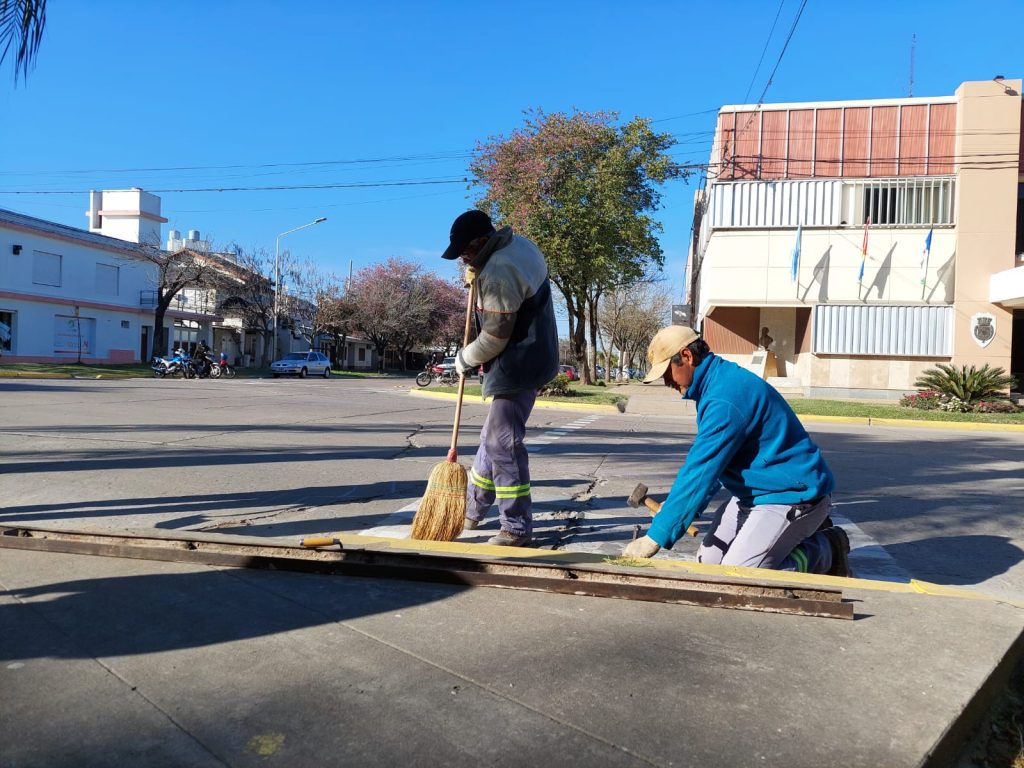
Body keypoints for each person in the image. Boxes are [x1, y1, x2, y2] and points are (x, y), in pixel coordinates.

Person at [622, 325, 852, 577]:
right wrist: (678, 508)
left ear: (687, 356)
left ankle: (826, 548)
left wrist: (656, 536)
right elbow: (714, 468)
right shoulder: (715, 385)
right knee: (708, 566)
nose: (667, 382)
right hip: (753, 495)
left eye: (667, 373)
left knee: (740, 575)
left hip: (793, 496)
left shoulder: (725, 398)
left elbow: (700, 470)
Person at [442, 210, 559, 547]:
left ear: (482, 242)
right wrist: (476, 276)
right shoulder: (519, 245)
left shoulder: (498, 270)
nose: (464, 258)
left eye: (466, 251)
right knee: (490, 437)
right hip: (537, 352)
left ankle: (516, 526)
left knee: (501, 443)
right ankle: (475, 509)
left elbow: (494, 338)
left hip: (519, 361)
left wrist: (464, 359)